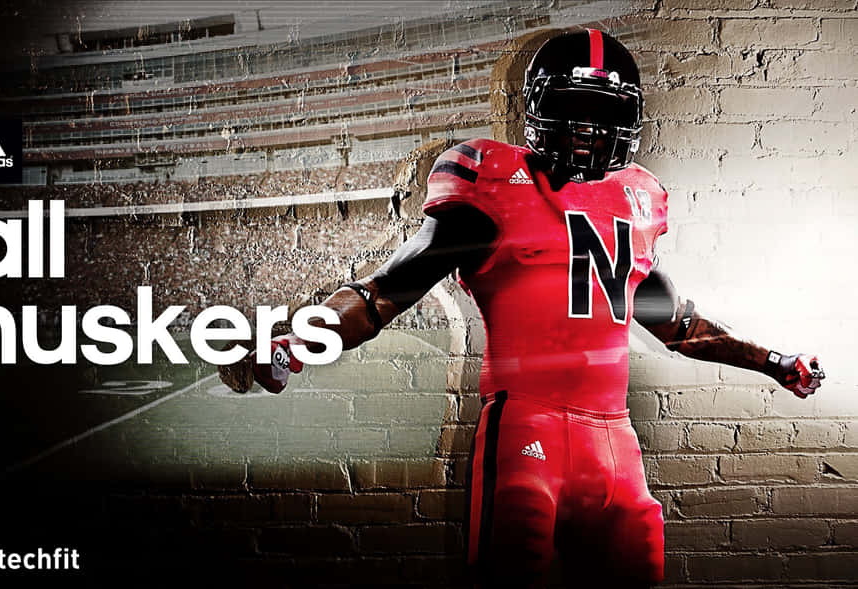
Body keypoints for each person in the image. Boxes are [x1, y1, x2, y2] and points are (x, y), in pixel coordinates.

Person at [219, 29, 825, 587]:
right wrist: (300, 339)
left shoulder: (634, 201)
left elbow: (680, 326)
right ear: (538, 110)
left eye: (605, 116)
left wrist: (775, 361)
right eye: (575, 111)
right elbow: (382, 294)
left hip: (617, 443)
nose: (589, 130)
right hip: (528, 428)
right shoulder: (493, 188)